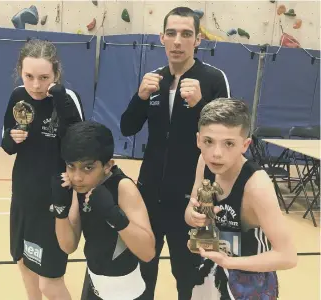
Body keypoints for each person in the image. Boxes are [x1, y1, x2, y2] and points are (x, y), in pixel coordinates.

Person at [120, 6, 230, 300]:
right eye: (171, 33)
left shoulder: (213, 79)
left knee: (189, 274)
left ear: (197, 40)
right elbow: (127, 127)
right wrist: (140, 97)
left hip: (195, 197)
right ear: (162, 38)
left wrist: (201, 105)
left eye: (186, 34)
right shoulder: (153, 79)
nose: (178, 41)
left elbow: (225, 139)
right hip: (150, 193)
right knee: (144, 268)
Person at [185, 98, 297, 299]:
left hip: (250, 280)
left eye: (229, 143)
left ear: (245, 145)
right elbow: (191, 212)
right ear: (198, 140)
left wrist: (229, 262)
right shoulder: (204, 161)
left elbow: (287, 257)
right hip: (213, 268)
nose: (216, 153)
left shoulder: (257, 186)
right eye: (209, 141)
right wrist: (194, 217)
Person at [1, 39, 84, 300]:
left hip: (55, 200)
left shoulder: (67, 98)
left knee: (50, 282)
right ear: (20, 71)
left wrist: (58, 98)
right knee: (25, 265)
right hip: (24, 196)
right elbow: (6, 145)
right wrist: (12, 139)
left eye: (44, 77)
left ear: (56, 73)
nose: (36, 85)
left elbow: (82, 149)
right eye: (29, 76)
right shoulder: (17, 96)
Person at [51, 120, 156, 300]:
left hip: (128, 293)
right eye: (71, 167)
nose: (77, 177)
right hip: (95, 286)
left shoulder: (123, 188)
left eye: (88, 167)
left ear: (108, 165)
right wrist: (60, 210)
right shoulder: (80, 187)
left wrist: (114, 215)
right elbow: (68, 246)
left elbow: (148, 253)